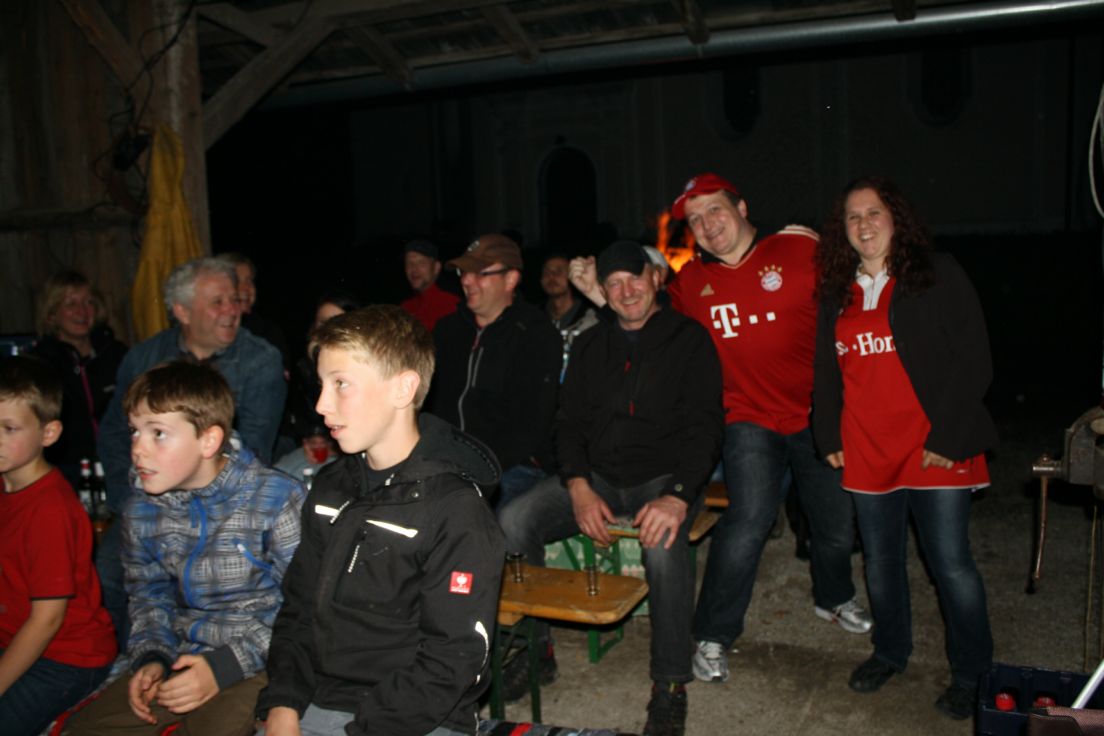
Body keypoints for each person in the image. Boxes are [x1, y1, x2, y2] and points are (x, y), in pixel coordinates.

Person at [499, 242, 723, 736]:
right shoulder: (590, 345)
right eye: (613, 283)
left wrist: (678, 496)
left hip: (666, 479)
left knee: (663, 546)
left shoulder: (689, 339)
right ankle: (539, 650)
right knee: (513, 520)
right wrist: (578, 485)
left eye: (634, 278)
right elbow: (568, 425)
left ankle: (670, 685)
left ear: (655, 278)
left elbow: (706, 427)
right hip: (598, 477)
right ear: (601, 290)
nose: (626, 291)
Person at [256, 306, 505, 736]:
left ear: (403, 388)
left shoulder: (455, 510)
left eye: (341, 384)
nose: (321, 404)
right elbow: (298, 609)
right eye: (321, 385)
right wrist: (282, 701)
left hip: (418, 717)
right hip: (316, 700)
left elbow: (453, 657)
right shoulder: (331, 488)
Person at [664, 173, 871, 684]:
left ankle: (833, 597)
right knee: (748, 520)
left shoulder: (798, 251)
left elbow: (861, 285)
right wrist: (599, 292)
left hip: (816, 415)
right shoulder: (690, 282)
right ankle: (712, 634)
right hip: (747, 417)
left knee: (836, 523)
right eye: (695, 219)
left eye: (715, 209)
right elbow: (649, 321)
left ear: (741, 207)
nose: (707, 224)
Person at [812, 176, 995, 719]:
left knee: (951, 565)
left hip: (933, 446)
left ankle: (974, 674)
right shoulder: (838, 290)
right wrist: (827, 433)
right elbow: (826, 371)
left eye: (874, 212)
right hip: (867, 447)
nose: (864, 224)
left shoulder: (937, 273)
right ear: (842, 230)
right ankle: (890, 652)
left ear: (896, 219)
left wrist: (948, 436)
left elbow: (975, 359)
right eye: (853, 216)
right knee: (881, 564)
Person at [64, 361, 304, 736]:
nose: (138, 449)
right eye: (134, 431)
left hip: (261, 658)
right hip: (181, 654)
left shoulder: (274, 498)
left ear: (208, 441)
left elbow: (304, 609)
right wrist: (152, 656)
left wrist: (225, 666)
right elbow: (148, 594)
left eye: (158, 433)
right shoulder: (142, 507)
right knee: (84, 729)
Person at [96, 257, 287, 649]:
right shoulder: (144, 358)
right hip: (150, 497)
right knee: (109, 572)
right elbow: (114, 433)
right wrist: (128, 497)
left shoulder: (260, 359)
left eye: (234, 299)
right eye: (218, 302)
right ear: (182, 311)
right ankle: (126, 659)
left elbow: (254, 446)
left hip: (227, 508)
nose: (232, 309)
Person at [0, 356, 116, 736]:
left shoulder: (49, 510)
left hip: (66, 657)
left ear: (48, 433)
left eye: (9, 428)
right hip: (15, 637)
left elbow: (47, 620)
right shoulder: (6, 483)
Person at [429, 234, 561, 511]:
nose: (467, 281)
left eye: (480, 273)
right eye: (463, 272)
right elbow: (431, 406)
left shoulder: (535, 334)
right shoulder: (447, 330)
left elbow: (533, 424)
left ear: (510, 279)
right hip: (449, 464)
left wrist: (475, 469)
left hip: (513, 468)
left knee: (471, 516)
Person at [30, 270, 127, 487]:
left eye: (88, 302)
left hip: (118, 464)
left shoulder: (115, 353)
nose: (82, 311)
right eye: (71, 304)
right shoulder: (40, 364)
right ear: (52, 314)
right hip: (65, 470)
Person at [283, 290, 362, 452]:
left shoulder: (363, 370)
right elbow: (301, 421)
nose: (329, 330)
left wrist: (333, 445)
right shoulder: (304, 368)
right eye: (323, 323)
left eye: (338, 323)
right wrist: (309, 439)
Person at [216, 252, 290, 369]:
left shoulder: (269, 334)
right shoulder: (205, 331)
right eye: (237, 281)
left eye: (249, 280)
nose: (246, 288)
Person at [540, 253, 599, 381]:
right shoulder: (534, 320)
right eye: (547, 272)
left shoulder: (591, 319)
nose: (552, 276)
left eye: (559, 271)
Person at [399, 240, 459, 332]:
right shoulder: (405, 308)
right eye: (409, 263)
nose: (414, 269)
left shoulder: (451, 305)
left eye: (422, 263)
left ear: (436, 268)